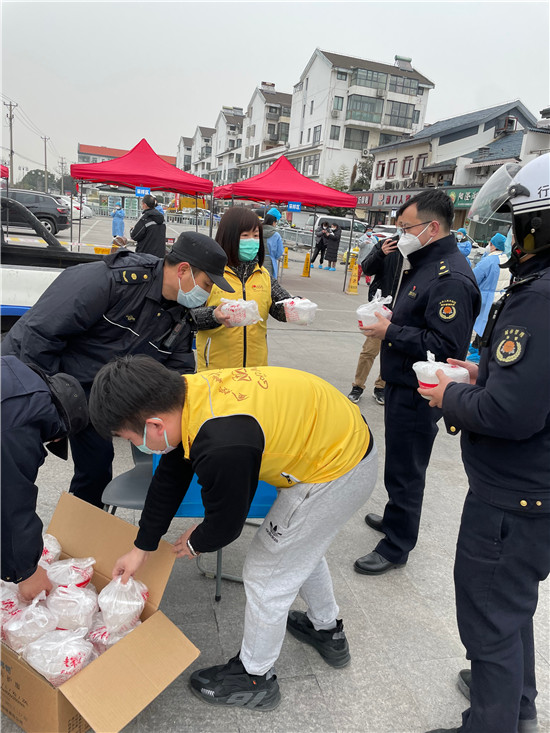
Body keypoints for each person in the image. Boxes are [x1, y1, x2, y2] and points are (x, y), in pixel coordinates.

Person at [88, 355, 378, 711]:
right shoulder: (186, 395)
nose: (133, 444)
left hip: (336, 468)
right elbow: (171, 475)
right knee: (297, 545)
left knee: (266, 573)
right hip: (337, 441)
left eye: (128, 437)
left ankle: (255, 677)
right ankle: (326, 628)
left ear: (153, 425)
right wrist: (142, 546)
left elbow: (226, 523)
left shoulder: (222, 443)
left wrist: (196, 542)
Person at [422, 154, 550, 733]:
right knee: (510, 608)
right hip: (533, 491)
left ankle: (493, 721)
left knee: (489, 618)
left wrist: (447, 397)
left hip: (513, 495)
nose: (515, 237)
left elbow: (510, 413)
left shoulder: (540, 297)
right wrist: (479, 374)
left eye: (522, 224)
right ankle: (515, 706)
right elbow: (528, 389)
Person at [2, 232, 234, 508]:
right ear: (184, 270)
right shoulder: (111, 282)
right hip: (50, 382)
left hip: (102, 399)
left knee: (97, 470)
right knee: (16, 467)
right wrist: (47, 401)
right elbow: (37, 335)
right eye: (207, 284)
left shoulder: (180, 314)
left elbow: (178, 371)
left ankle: (82, 531)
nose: (207, 294)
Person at [353, 189, 480, 575]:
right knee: (399, 463)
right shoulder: (424, 264)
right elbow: (419, 322)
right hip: (400, 381)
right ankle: (396, 519)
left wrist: (390, 329)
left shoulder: (451, 278)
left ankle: (397, 545)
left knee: (408, 468)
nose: (402, 234)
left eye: (407, 227)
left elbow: (445, 345)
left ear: (433, 227)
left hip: (418, 390)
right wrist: (392, 317)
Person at [1, 355, 88, 601]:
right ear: (59, 433)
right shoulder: (17, 421)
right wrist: (26, 572)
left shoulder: (16, 376)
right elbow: (11, 502)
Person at [194, 206, 294, 371]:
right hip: (216, 371)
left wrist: (295, 305)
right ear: (229, 237)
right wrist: (214, 315)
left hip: (255, 371)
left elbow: (281, 307)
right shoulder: (208, 275)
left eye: (256, 236)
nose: (252, 241)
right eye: (245, 235)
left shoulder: (264, 276)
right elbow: (189, 317)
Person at [347, 235, 402, 406]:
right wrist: (381, 254)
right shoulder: (387, 244)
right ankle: (357, 386)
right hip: (381, 309)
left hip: (403, 309)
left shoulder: (420, 249)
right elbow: (367, 269)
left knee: (392, 352)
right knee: (370, 350)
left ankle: (381, 386)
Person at [466, 232, 510, 364]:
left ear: (494, 246)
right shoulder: (508, 259)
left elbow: (474, 278)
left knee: (482, 324)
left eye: (490, 243)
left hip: (486, 297)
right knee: (489, 324)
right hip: (501, 296)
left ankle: (480, 351)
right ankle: (476, 346)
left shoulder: (489, 260)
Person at [130, 194, 166, 259]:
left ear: (145, 205)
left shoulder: (145, 218)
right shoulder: (162, 219)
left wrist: (132, 230)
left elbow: (134, 236)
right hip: (159, 256)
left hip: (145, 257)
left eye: (142, 203)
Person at [262, 209, 284, 277]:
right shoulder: (276, 235)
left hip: (258, 261)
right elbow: (279, 252)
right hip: (271, 262)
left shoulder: (257, 231)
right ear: (273, 222)